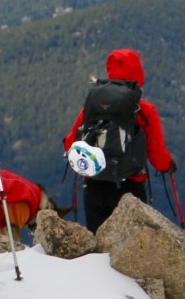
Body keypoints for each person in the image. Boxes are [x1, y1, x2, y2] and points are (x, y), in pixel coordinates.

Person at [62, 48, 176, 231]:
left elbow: (71, 143)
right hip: (129, 187)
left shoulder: (94, 106)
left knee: (98, 243)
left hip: (94, 185)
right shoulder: (144, 110)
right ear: (138, 73)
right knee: (132, 244)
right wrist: (168, 165)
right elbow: (156, 154)